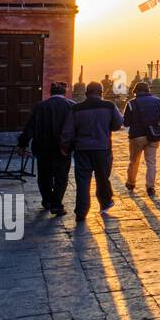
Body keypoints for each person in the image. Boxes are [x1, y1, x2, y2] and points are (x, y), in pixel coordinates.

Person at [60, 81, 122, 222]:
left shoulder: (77, 108)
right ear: (101, 92)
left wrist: (64, 146)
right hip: (102, 148)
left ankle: (81, 212)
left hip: (82, 149)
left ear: (87, 92)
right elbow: (118, 124)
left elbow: (68, 130)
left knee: (82, 181)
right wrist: (107, 127)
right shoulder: (109, 106)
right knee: (102, 178)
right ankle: (105, 202)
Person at [17, 81, 74, 216]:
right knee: (61, 177)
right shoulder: (71, 106)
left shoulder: (40, 106)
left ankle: (47, 200)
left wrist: (22, 144)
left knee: (44, 176)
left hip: (43, 148)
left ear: (51, 92)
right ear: (64, 92)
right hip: (63, 149)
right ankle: (57, 205)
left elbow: (30, 127)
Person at [122, 81, 160, 197]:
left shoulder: (131, 103)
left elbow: (126, 123)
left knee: (134, 161)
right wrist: (159, 130)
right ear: (148, 90)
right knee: (151, 162)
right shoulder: (158, 102)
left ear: (135, 91)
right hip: (153, 136)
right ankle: (150, 187)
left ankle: (131, 183)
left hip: (137, 136)